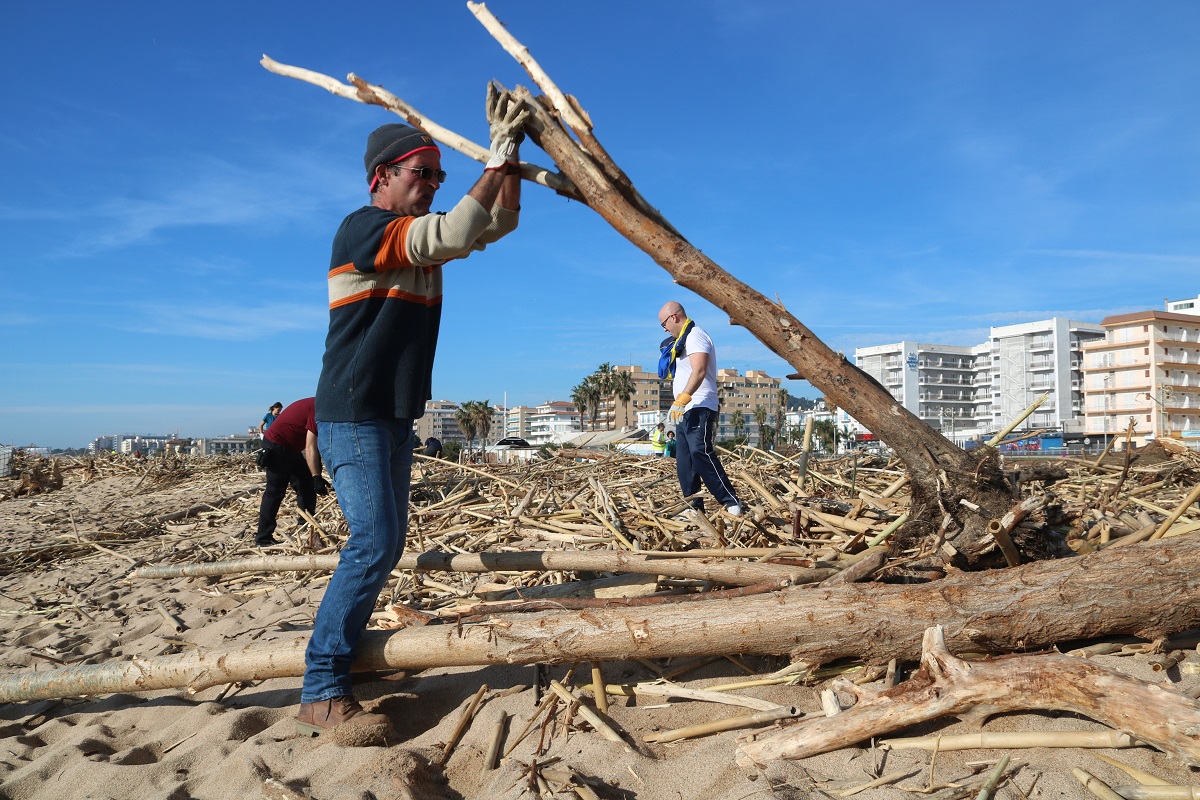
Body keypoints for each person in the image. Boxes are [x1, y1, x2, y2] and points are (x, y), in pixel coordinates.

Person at [297, 87, 530, 738]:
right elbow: (455, 230)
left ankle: (348, 656)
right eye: (420, 174)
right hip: (354, 412)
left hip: (393, 415)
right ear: (381, 177)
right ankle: (321, 686)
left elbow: (496, 224)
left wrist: (510, 162)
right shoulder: (366, 231)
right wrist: (496, 156)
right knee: (373, 541)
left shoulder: (419, 242)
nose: (431, 185)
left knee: (387, 542)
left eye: (438, 177)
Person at [657, 301, 742, 516]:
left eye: (664, 324)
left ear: (674, 317)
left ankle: (730, 500)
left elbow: (700, 370)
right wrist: (678, 403)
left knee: (700, 451)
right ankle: (692, 506)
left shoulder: (695, 335)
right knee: (685, 461)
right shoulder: (680, 341)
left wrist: (683, 398)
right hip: (683, 409)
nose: (664, 329)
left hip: (700, 404)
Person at [255, 397, 328, 547]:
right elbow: (310, 447)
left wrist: (317, 476)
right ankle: (263, 538)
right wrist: (316, 477)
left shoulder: (321, 405)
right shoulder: (318, 409)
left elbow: (316, 446)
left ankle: (306, 526)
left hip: (291, 448)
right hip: (276, 445)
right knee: (275, 491)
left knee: (306, 485)